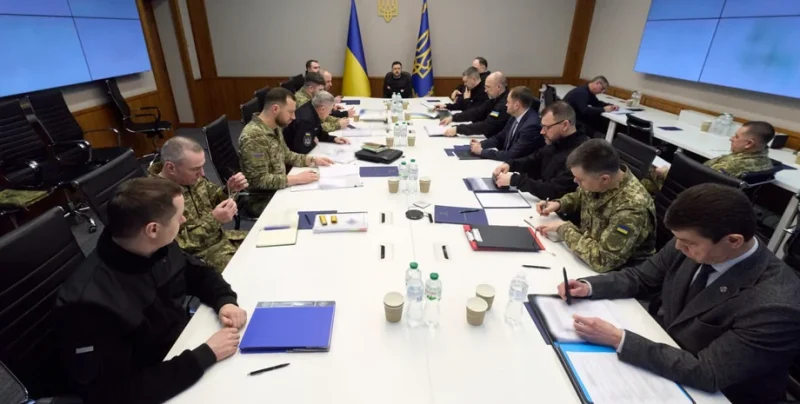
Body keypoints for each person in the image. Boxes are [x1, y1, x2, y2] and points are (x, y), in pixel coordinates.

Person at [557, 184, 800, 403]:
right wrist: (589, 286)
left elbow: (708, 373)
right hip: (669, 354)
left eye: (688, 243)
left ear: (734, 241)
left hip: (722, 393)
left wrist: (618, 339)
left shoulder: (775, 305)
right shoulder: (693, 243)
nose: (677, 247)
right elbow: (641, 277)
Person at [55, 177, 248, 404]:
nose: (184, 220)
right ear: (153, 229)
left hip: (180, 347)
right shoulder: (90, 306)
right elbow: (113, 395)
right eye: (179, 216)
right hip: (157, 378)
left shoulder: (155, 246)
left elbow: (198, 273)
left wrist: (224, 300)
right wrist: (205, 355)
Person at [535, 139, 656, 272]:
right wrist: (559, 204)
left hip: (619, 274)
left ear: (604, 179)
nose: (575, 181)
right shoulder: (600, 182)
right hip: (585, 254)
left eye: (580, 179)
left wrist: (564, 229)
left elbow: (603, 260)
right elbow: (581, 196)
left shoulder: (632, 209)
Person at [147, 137, 249, 273]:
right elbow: (177, 245)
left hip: (222, 238)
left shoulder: (193, 178)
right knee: (249, 273)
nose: (202, 173)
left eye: (202, 166)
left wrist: (229, 189)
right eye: (195, 169)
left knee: (270, 245)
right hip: (200, 255)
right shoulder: (154, 197)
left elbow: (213, 198)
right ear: (171, 168)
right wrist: (215, 220)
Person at [239, 88, 333, 216]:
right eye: (290, 112)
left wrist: (312, 160)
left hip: (282, 187)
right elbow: (259, 180)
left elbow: (286, 154)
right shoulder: (252, 137)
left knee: (322, 194)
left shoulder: (274, 127)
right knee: (315, 204)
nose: (294, 117)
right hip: (265, 199)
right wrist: (296, 179)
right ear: (275, 109)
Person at [493, 101, 590, 199]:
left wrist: (516, 180)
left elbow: (555, 190)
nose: (542, 132)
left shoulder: (583, 154)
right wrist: (510, 165)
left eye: (547, 127)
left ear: (565, 125)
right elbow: (533, 160)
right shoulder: (556, 142)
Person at [644, 121, 776, 193]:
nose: (731, 139)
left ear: (749, 144)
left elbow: (695, 185)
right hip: (716, 201)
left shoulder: (731, 164)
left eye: (736, 137)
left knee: (645, 169)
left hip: (686, 195)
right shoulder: (765, 162)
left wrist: (665, 172)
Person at [470, 86, 544, 161]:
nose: (506, 105)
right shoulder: (515, 115)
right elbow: (501, 137)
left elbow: (511, 155)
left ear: (516, 105)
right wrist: (481, 144)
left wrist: (481, 151)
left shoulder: (530, 126)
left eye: (508, 102)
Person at [440, 72, 510, 138]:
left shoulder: (504, 104)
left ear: (498, 87)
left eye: (488, 87)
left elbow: (486, 126)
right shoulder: (495, 98)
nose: (485, 90)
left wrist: (458, 129)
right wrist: (453, 118)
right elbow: (477, 112)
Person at [284, 91, 350, 154]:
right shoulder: (306, 121)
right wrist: (314, 143)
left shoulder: (313, 108)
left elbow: (317, 132)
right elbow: (302, 149)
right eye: (330, 110)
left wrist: (334, 139)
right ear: (322, 109)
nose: (330, 113)